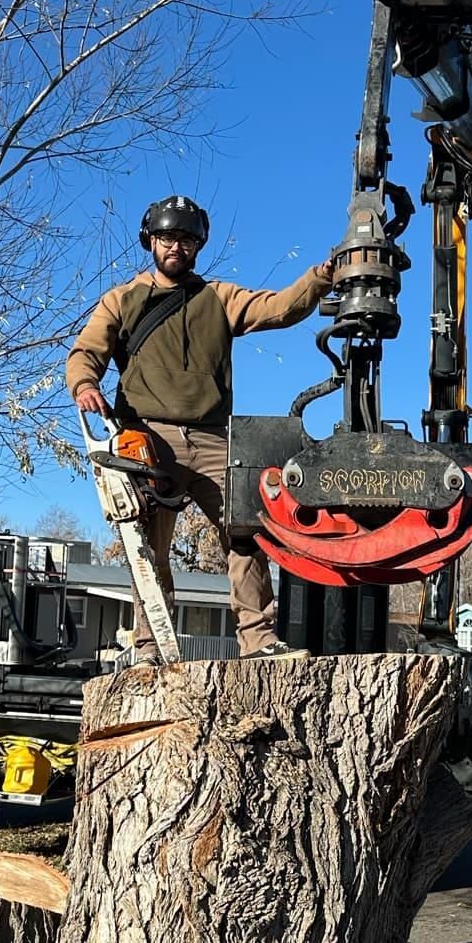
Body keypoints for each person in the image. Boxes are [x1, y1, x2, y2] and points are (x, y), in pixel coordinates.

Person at [68, 195, 333, 661]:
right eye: (169, 237)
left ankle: (258, 640)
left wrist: (321, 275)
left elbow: (279, 308)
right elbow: (86, 351)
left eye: (187, 239)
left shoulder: (219, 297)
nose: (177, 247)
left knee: (247, 531)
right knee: (147, 543)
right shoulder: (122, 299)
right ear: (150, 241)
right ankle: (150, 646)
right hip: (148, 439)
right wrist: (85, 384)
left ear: (198, 247)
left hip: (214, 439)